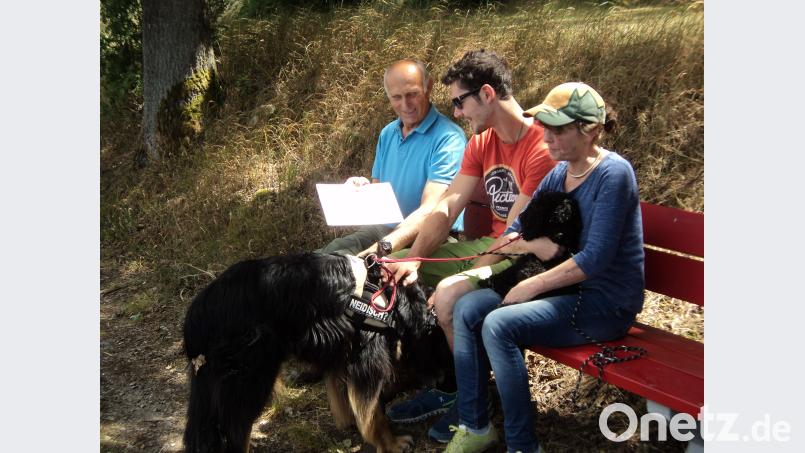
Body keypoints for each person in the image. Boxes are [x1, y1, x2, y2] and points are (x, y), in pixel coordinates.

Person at [442, 82, 645, 453]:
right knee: (468, 307)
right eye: (546, 127)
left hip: (605, 302)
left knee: (499, 324)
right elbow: (519, 229)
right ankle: (475, 425)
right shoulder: (558, 173)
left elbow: (595, 259)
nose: (547, 137)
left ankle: (523, 444)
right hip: (564, 289)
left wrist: (530, 286)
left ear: (590, 130)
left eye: (558, 130)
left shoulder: (614, 174)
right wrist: (522, 247)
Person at [383, 50, 556, 442]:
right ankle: (443, 380)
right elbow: (447, 206)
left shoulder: (541, 147)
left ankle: (472, 399)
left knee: (450, 298)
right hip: (485, 247)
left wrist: (464, 277)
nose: (457, 113)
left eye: (460, 102)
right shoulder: (482, 142)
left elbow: (515, 235)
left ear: (488, 94)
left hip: (521, 255)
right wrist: (414, 257)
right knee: (390, 269)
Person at [318, 59, 467, 257]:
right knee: (324, 257)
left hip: (428, 237)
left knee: (354, 266)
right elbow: (379, 195)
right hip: (383, 229)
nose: (405, 105)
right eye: (397, 97)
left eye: (412, 94)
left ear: (428, 87)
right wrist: (361, 190)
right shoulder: (388, 133)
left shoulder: (448, 138)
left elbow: (431, 210)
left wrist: (379, 249)